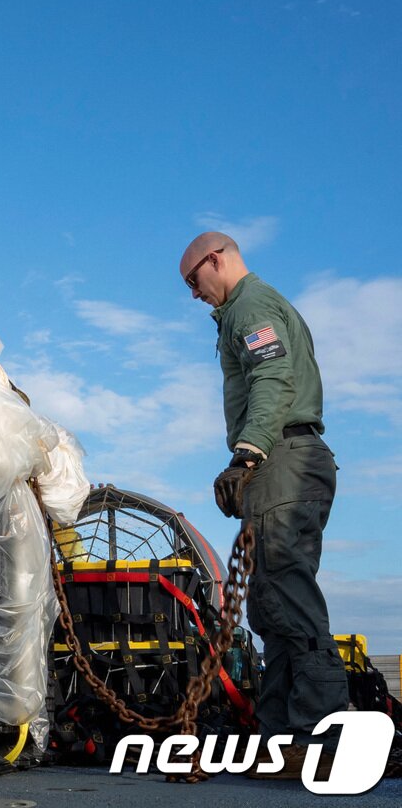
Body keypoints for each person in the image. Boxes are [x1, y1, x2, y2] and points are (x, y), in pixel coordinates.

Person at [179, 231, 348, 780]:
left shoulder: (250, 305)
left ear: (216, 259)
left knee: (288, 595)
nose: (195, 293)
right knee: (271, 603)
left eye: (193, 280)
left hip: (284, 457)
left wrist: (247, 456)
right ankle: (280, 739)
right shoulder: (248, 310)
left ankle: (318, 736)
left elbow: (272, 376)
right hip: (288, 460)